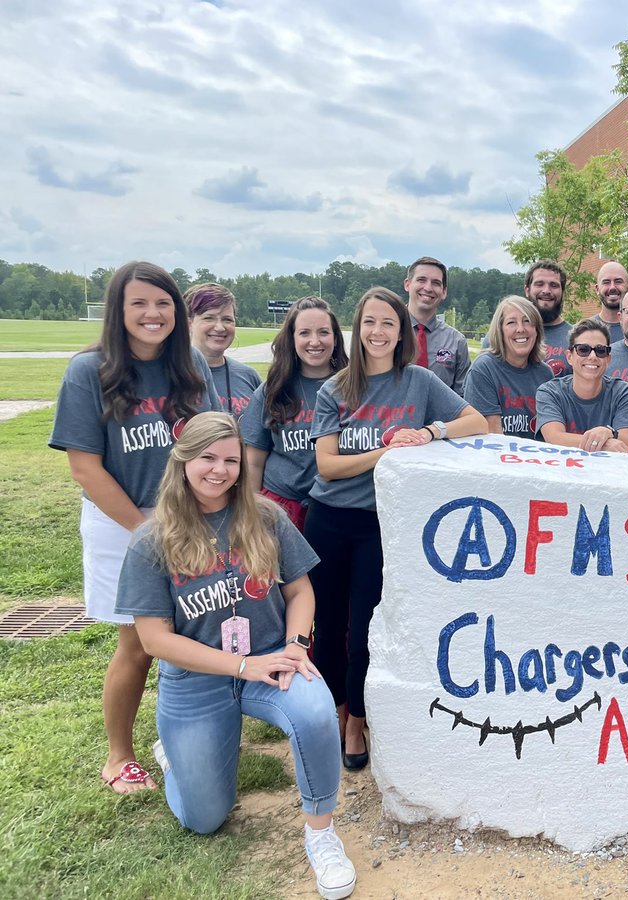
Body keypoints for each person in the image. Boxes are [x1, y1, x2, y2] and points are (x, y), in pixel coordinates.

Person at [114, 412, 357, 899]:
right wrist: (243, 666)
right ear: (182, 460)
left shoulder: (265, 516)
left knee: (314, 712)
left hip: (270, 656)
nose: (220, 470)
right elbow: (155, 642)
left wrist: (296, 645)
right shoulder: (151, 538)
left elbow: (300, 590)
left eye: (231, 460)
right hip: (195, 678)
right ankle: (177, 763)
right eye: (207, 457)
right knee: (204, 819)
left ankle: (321, 833)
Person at [49, 260, 218, 794]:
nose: (152, 313)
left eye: (163, 303)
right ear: (118, 311)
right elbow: (85, 468)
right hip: (123, 527)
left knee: (196, 630)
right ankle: (118, 756)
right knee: (139, 644)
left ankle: (182, 731)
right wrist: (150, 530)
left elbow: (213, 441)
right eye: (139, 303)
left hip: (191, 521)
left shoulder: (189, 363)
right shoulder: (89, 371)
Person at [306, 287, 486, 771]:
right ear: (358, 329)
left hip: (381, 524)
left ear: (401, 331)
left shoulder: (420, 382)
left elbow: (478, 422)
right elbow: (327, 467)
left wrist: (429, 433)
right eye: (369, 322)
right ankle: (332, 713)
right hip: (329, 519)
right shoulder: (335, 388)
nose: (378, 332)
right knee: (327, 628)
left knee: (366, 627)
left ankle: (357, 721)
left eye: (389, 323)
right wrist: (388, 453)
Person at [242, 296, 348, 531]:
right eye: (304, 333)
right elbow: (254, 461)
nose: (315, 341)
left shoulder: (352, 385)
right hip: (280, 507)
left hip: (337, 508)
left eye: (323, 332)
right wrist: (252, 514)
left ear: (336, 338)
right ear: (291, 338)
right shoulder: (273, 389)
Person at [535, 321, 628, 452]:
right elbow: (555, 438)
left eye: (600, 351)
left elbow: (627, 441)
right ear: (569, 357)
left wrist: (607, 432)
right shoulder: (549, 392)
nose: (592, 356)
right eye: (583, 350)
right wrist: (604, 443)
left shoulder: (623, 392)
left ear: (608, 359)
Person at [465, 295, 555, 440]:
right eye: (511, 322)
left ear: (537, 330)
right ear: (500, 330)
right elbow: (493, 436)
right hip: (499, 457)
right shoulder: (484, 369)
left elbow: (552, 432)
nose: (520, 329)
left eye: (527, 321)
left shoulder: (545, 374)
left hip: (539, 458)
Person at [185, 282, 262, 420]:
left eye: (227, 320)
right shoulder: (171, 374)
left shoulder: (249, 376)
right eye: (209, 318)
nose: (220, 328)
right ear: (189, 323)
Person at [404, 256, 470, 395]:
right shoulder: (388, 332)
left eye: (436, 283)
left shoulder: (457, 342)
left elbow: (462, 397)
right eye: (421, 280)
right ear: (407, 284)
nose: (428, 288)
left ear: (444, 292)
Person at [593, 260, 628, 344]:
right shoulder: (583, 331)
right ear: (597, 289)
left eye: (618, 281)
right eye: (606, 282)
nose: (612, 287)